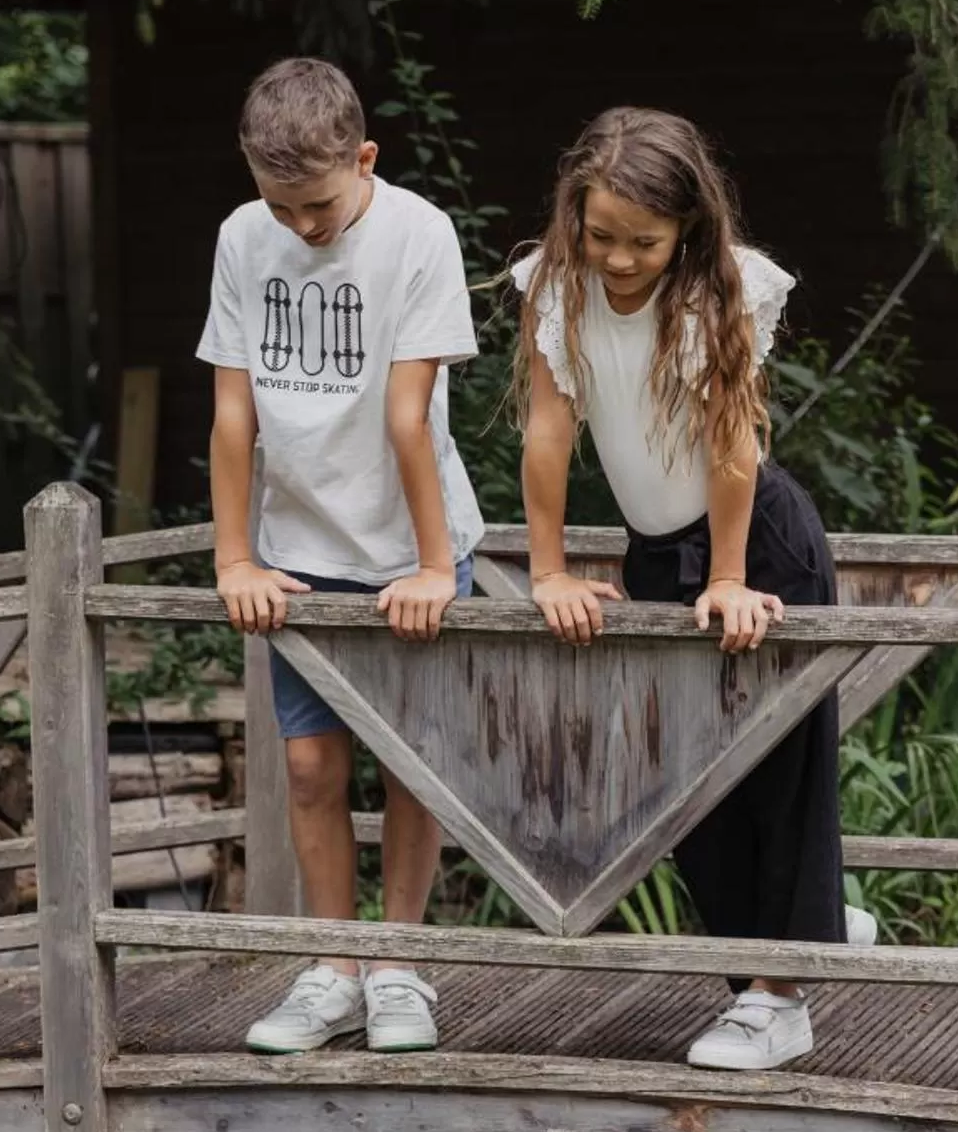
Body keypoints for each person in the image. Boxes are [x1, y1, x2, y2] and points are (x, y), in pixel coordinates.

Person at [513, 104, 874, 1073]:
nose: (620, 260)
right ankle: (803, 935)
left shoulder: (723, 292)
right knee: (682, 784)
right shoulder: (557, 287)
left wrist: (726, 578)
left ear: (689, 230)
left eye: (644, 241)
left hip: (758, 542)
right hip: (653, 551)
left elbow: (730, 443)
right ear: (573, 218)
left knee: (783, 775)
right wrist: (547, 571)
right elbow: (550, 433)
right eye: (601, 237)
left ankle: (779, 997)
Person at [202, 56, 484, 1054]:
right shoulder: (246, 237)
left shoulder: (418, 234)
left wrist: (436, 568)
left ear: (363, 158)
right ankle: (331, 964)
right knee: (314, 769)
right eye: (281, 204)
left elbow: (411, 417)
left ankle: (401, 964)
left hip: (412, 544)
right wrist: (236, 556)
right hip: (299, 549)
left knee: (413, 766)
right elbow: (234, 414)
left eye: (318, 204)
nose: (303, 227)